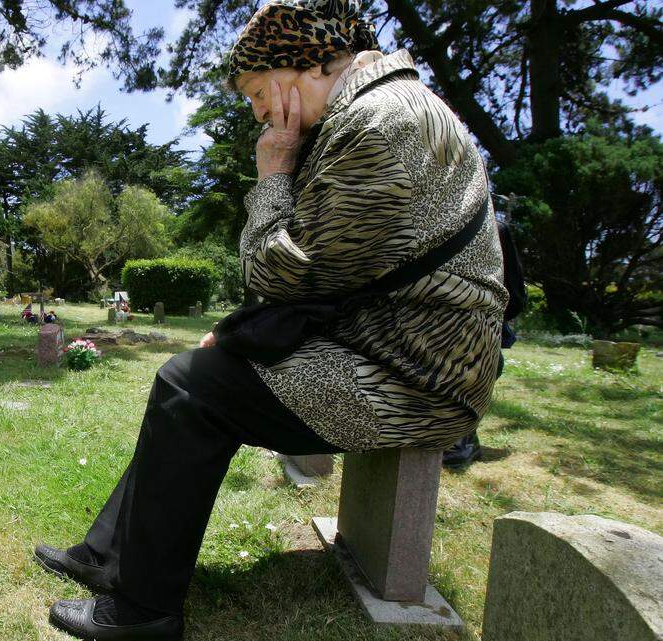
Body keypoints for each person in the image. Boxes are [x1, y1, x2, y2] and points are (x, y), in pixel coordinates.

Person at [34, 1, 509, 639]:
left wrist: (272, 173)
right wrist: (235, 337)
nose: (258, 111)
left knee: (188, 389)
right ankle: (108, 555)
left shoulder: (380, 123)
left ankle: (143, 612)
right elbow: (328, 272)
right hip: (394, 347)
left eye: (259, 93)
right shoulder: (381, 109)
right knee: (195, 375)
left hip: (411, 380)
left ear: (307, 65)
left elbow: (281, 272)